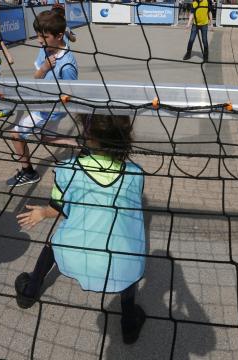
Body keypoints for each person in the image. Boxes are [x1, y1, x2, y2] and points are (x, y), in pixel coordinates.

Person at [14, 113, 147, 345]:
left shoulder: (67, 169)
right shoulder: (135, 173)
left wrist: (42, 213)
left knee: (56, 241)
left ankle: (29, 292)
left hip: (74, 255)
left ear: (87, 137)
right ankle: (128, 324)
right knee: (129, 254)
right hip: (122, 265)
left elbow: (59, 210)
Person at [2, 10, 78, 187]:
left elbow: (70, 94)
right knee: (44, 137)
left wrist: (48, 103)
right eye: (38, 36)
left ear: (59, 36)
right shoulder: (47, 48)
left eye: (44, 37)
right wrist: (43, 69)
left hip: (50, 110)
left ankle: (28, 172)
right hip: (44, 105)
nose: (39, 41)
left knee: (15, 133)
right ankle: (80, 145)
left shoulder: (67, 65)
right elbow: (37, 77)